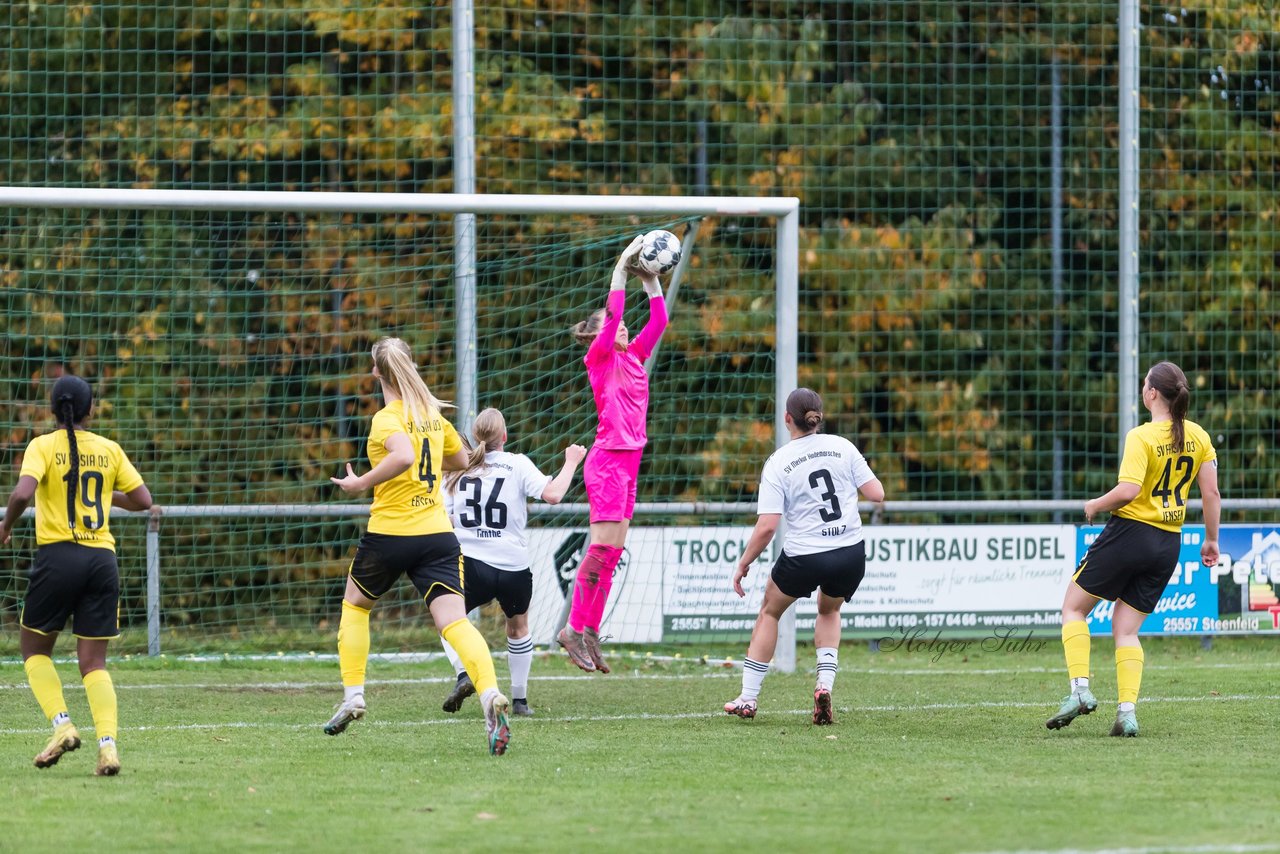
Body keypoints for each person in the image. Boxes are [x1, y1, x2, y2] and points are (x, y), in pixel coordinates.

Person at [326, 337, 511, 755]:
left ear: (376, 372)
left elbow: (405, 456)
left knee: (355, 607)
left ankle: (354, 695)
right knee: (456, 623)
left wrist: (361, 482)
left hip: (391, 533)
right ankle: (489, 695)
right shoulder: (431, 414)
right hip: (436, 535)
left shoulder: (386, 418)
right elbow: (463, 459)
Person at [1047, 360, 1219, 737]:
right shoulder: (1200, 437)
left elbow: (1129, 492)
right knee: (1126, 630)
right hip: (1168, 543)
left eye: (1145, 383)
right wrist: (1210, 540)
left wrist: (1093, 505)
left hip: (1130, 533)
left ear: (1152, 393)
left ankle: (1079, 691)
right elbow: (1211, 493)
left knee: (1073, 608)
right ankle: (1126, 713)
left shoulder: (1141, 436)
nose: (1144, 387)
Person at [0, 374, 153, 776]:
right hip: (102, 560)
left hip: (59, 558)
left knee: (34, 651)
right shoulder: (108, 449)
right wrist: (106, 494)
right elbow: (143, 500)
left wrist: (5, 526)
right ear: (90, 410)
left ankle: (63, 726)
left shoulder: (42, 446)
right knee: (93, 663)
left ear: (53, 410)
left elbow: (20, 494)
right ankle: (108, 747)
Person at [723, 388, 884, 725]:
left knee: (770, 612)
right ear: (818, 417)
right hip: (849, 552)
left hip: (805, 555)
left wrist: (743, 563)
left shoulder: (779, 461)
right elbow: (877, 494)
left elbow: (767, 526)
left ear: (787, 419)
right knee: (829, 611)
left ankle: (748, 699)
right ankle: (823, 685)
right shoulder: (843, 446)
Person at [557, 235, 668, 674]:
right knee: (601, 551)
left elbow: (658, 322)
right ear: (601, 331)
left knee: (613, 554)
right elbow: (617, 312)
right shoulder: (599, 358)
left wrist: (652, 281)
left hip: (630, 462)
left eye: (619, 324)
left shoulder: (636, 355)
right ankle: (572, 628)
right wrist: (622, 271)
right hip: (605, 462)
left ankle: (589, 631)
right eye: (611, 323)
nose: (621, 326)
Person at [437, 408, 587, 717]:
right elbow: (554, 494)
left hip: (471, 562)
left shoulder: (457, 468)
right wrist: (572, 461)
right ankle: (520, 701)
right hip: (513, 567)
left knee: (448, 621)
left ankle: (464, 674)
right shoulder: (517, 464)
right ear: (504, 436)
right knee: (518, 628)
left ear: (476, 436)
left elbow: (444, 516)